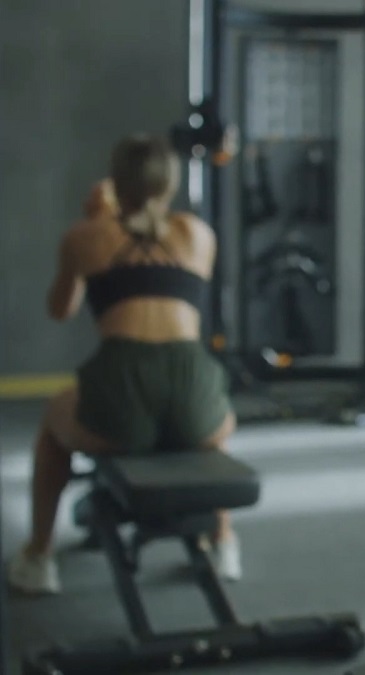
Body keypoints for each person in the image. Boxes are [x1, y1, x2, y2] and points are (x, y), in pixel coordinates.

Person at [6, 134, 241, 595]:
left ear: (114, 183)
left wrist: (98, 220)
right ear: (170, 184)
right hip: (193, 390)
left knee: (54, 425)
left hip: (120, 390)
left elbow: (61, 308)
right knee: (215, 424)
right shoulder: (199, 235)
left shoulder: (85, 235)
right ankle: (224, 541)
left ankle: (37, 556)